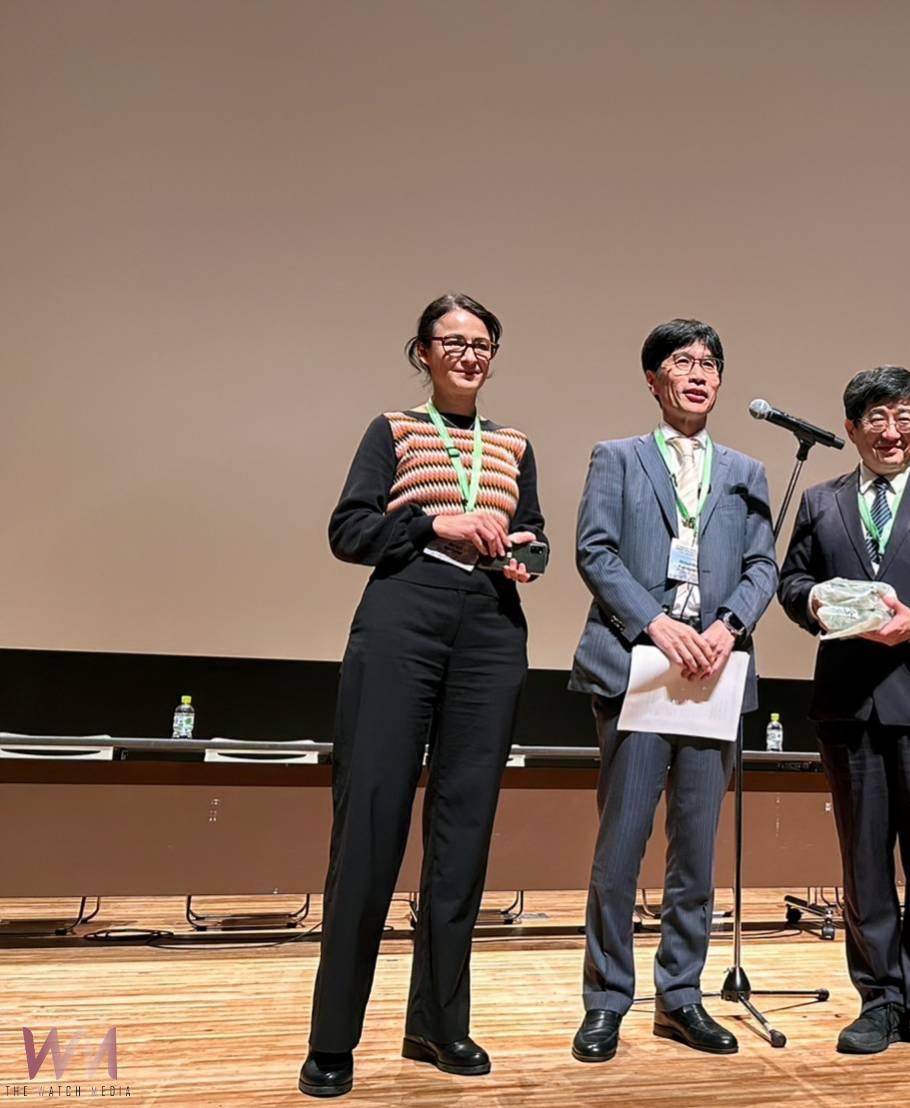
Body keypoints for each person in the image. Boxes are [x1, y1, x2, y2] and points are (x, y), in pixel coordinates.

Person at [299, 292, 545, 1098]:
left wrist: (525, 554)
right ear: (423, 352)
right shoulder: (394, 431)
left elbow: (535, 533)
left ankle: (438, 1025)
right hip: (403, 617)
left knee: (463, 834)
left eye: (483, 344)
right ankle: (333, 1039)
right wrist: (435, 524)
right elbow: (349, 531)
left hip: (491, 629)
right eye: (454, 342)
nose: (470, 356)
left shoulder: (514, 444)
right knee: (370, 827)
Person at [568, 318, 778, 1063]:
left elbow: (763, 566)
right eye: (682, 362)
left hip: (714, 670)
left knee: (696, 849)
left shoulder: (746, 471)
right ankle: (606, 1001)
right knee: (621, 846)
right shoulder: (618, 457)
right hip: (640, 665)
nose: (698, 374)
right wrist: (656, 625)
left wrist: (728, 625)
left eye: (709, 363)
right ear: (653, 379)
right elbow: (595, 550)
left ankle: (681, 996)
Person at [777, 366, 910, 1062]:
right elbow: (793, 580)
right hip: (849, 709)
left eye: (904, 417)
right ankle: (880, 1000)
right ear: (851, 428)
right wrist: (813, 602)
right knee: (864, 862)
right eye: (876, 417)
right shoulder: (821, 500)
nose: (891, 431)